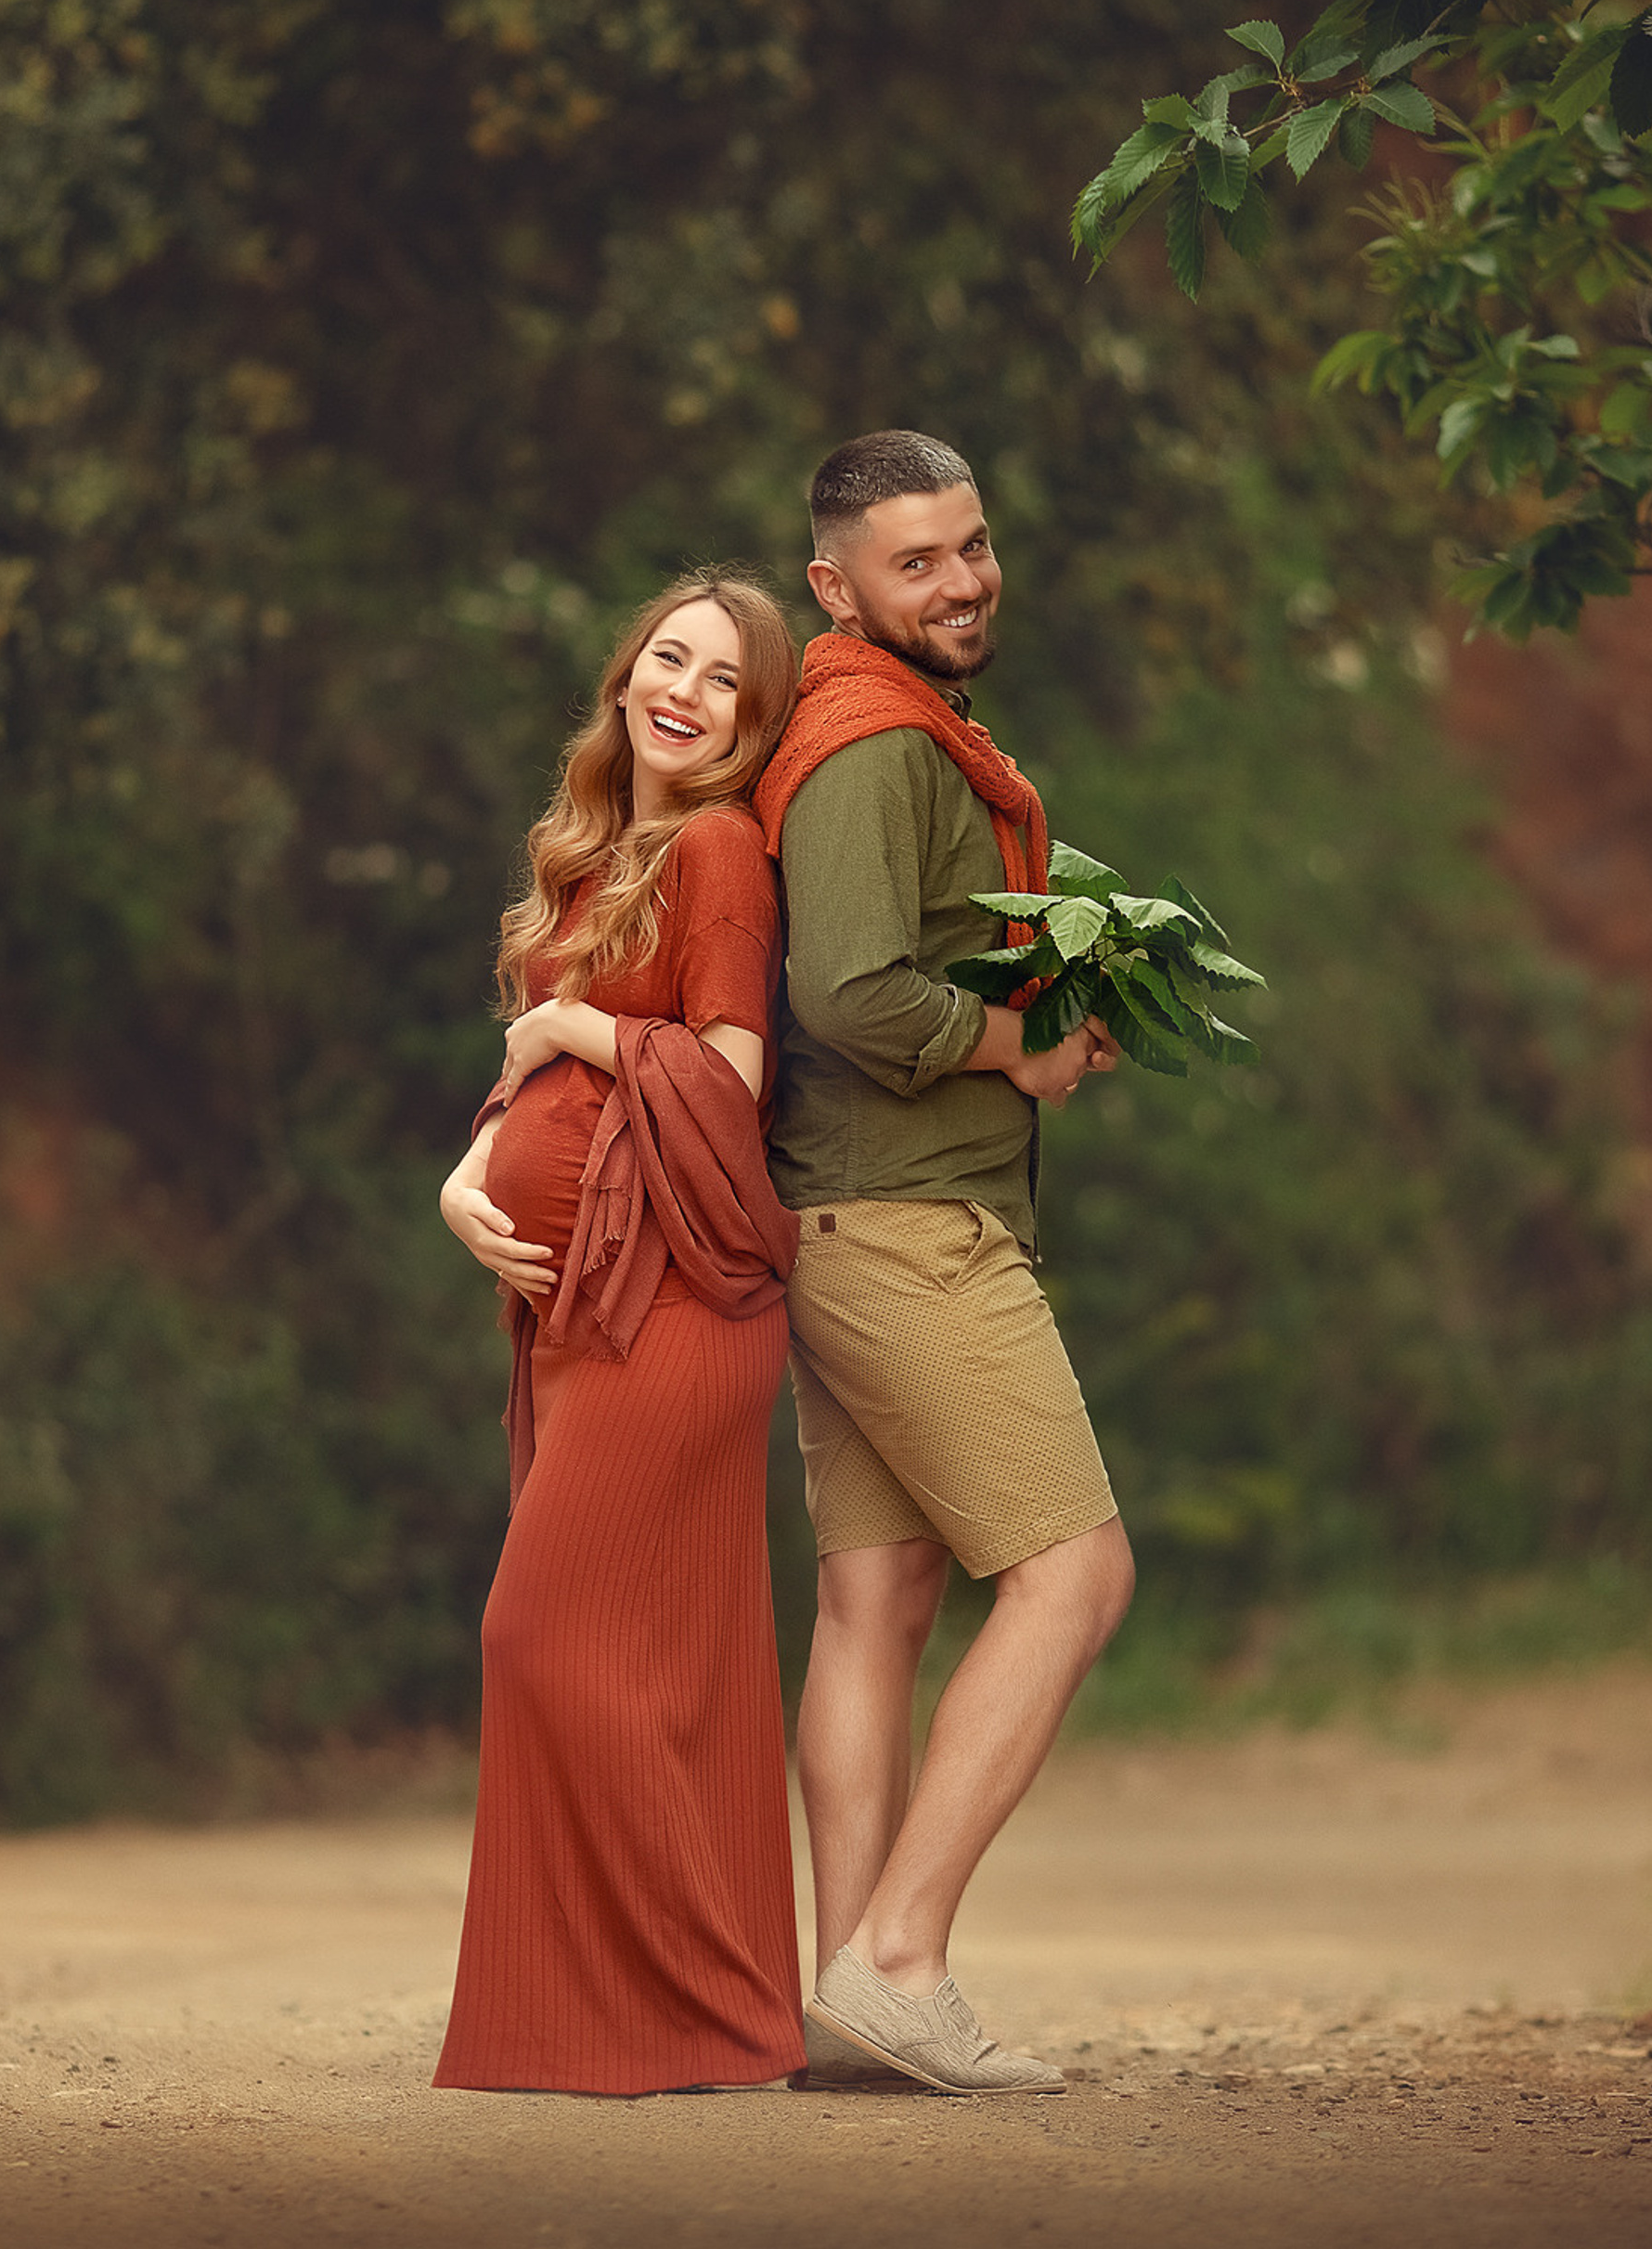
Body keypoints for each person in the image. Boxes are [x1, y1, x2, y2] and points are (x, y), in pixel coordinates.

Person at [753, 432, 1137, 2097]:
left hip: (851, 1215)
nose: (962, 581)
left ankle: (851, 1997)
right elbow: (846, 990)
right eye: (916, 562)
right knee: (1076, 1576)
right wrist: (1013, 1048)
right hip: (905, 1225)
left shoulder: (902, 726)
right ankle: (899, 1957)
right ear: (835, 587)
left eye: (970, 545)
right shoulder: (871, 743)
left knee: (880, 1594)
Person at [432, 569, 806, 2096]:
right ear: (625, 674)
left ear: (753, 724)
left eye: (724, 681)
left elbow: (728, 1082)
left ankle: (713, 2006)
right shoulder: (594, 859)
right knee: (664, 1680)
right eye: (670, 659)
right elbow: (530, 1077)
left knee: (538, 1636)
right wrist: (468, 1172)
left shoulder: (717, 851)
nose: (686, 694)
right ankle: (672, 2023)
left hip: (674, 1302)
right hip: (575, 1311)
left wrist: (573, 1026)